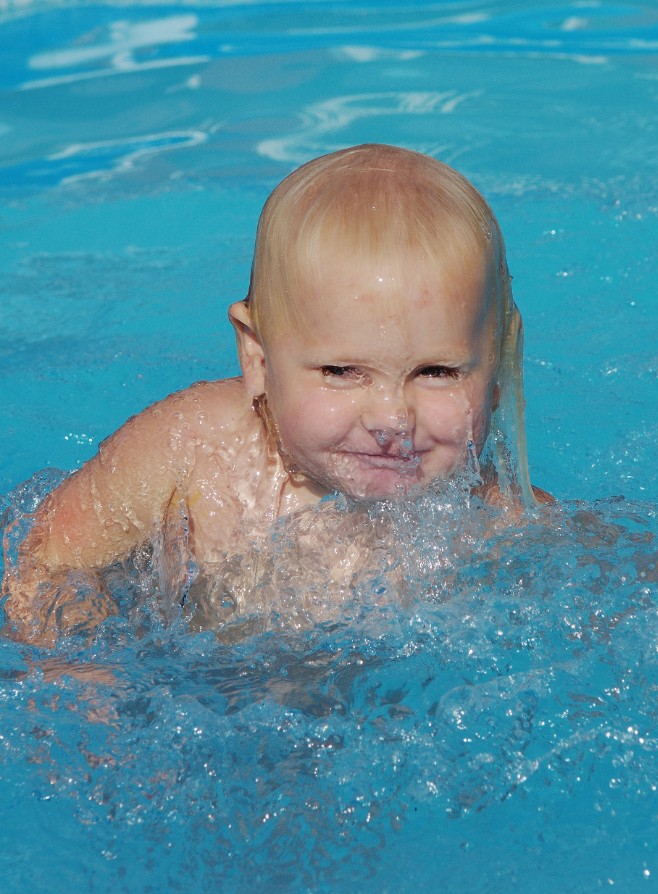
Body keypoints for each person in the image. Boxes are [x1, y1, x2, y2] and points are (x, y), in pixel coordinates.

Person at [3, 143, 549, 644]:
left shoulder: (494, 515)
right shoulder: (193, 446)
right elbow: (46, 559)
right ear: (258, 358)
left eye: (437, 372)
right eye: (340, 370)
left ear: (496, 373)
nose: (391, 418)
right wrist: (77, 669)